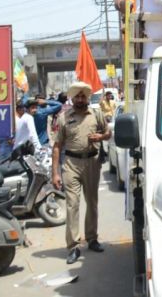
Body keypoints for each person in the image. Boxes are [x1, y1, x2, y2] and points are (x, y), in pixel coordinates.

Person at [51, 81, 111, 264]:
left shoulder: (96, 114)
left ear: (87, 98)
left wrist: (101, 136)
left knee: (92, 202)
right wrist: (55, 173)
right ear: (72, 98)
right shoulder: (64, 118)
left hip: (92, 162)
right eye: (76, 96)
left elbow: (108, 133)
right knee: (72, 204)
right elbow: (57, 146)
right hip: (71, 164)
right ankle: (73, 246)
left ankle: (92, 238)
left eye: (82, 96)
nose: (79, 99)